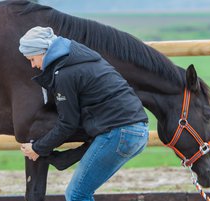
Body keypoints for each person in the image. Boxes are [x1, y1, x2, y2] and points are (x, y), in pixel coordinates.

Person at [19, 26, 149, 201]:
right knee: (80, 192)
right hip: (138, 131)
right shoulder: (80, 58)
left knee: (77, 194)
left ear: (44, 52)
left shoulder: (64, 73)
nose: (33, 65)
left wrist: (38, 148)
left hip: (119, 133)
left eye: (32, 59)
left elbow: (68, 124)